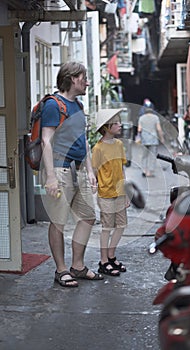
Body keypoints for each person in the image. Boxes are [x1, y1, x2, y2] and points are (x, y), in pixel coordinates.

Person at [41, 61, 103, 287]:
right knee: (58, 221)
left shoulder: (77, 106)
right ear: (72, 78)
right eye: (83, 77)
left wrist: (89, 170)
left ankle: (77, 266)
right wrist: (50, 176)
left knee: (88, 217)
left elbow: (83, 140)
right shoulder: (53, 105)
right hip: (59, 168)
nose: (87, 82)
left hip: (78, 169)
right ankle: (61, 270)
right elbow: (45, 140)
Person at [91, 109, 130, 276]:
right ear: (107, 127)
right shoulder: (98, 148)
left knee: (121, 226)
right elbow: (93, 170)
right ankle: (103, 261)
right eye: (116, 123)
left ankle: (111, 256)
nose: (120, 125)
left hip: (120, 192)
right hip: (106, 193)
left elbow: (121, 169)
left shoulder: (119, 145)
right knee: (107, 228)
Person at [137, 107, 164, 177]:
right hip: (153, 139)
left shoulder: (141, 118)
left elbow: (139, 129)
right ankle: (150, 172)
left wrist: (139, 137)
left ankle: (144, 170)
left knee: (144, 156)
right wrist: (161, 138)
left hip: (144, 139)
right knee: (152, 156)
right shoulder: (155, 118)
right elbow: (159, 129)